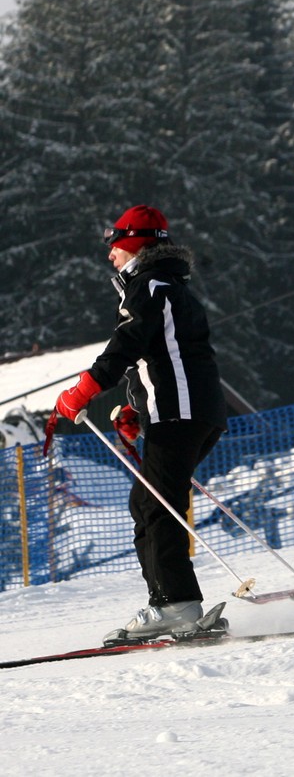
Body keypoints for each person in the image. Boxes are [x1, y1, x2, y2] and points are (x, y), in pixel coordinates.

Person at [45, 205, 227, 641]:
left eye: (116, 246)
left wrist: (83, 389)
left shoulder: (150, 287)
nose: (110, 255)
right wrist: (136, 411)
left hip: (180, 413)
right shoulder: (169, 288)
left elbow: (126, 346)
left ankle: (176, 605)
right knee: (149, 503)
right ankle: (170, 602)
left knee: (155, 506)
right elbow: (163, 356)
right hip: (190, 412)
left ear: (136, 246)